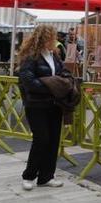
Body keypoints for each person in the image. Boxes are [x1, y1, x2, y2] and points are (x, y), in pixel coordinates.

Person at [18, 24, 71, 190]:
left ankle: (46, 176)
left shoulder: (54, 56)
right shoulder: (31, 57)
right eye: (51, 38)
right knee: (42, 139)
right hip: (36, 105)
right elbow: (28, 82)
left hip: (55, 104)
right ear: (43, 39)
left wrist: (62, 83)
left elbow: (64, 74)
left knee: (54, 140)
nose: (54, 41)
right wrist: (52, 86)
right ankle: (29, 176)